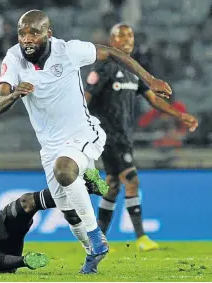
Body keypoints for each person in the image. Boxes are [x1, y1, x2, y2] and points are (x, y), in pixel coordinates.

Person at [0, 10, 173, 273]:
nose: (27, 38)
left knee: (65, 170)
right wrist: (14, 95)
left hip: (83, 133)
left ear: (48, 34)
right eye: (22, 33)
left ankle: (96, 236)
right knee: (69, 212)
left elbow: (112, 53)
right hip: (50, 146)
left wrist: (150, 79)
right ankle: (91, 252)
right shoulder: (13, 58)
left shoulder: (68, 51)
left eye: (34, 32)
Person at [84, 23, 199, 251]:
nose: (127, 39)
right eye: (121, 35)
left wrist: (180, 115)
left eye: (130, 35)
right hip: (108, 136)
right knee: (132, 179)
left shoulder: (133, 71)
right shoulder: (104, 68)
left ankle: (98, 240)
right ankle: (141, 237)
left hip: (124, 136)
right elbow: (85, 98)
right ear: (112, 41)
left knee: (113, 185)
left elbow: (153, 99)